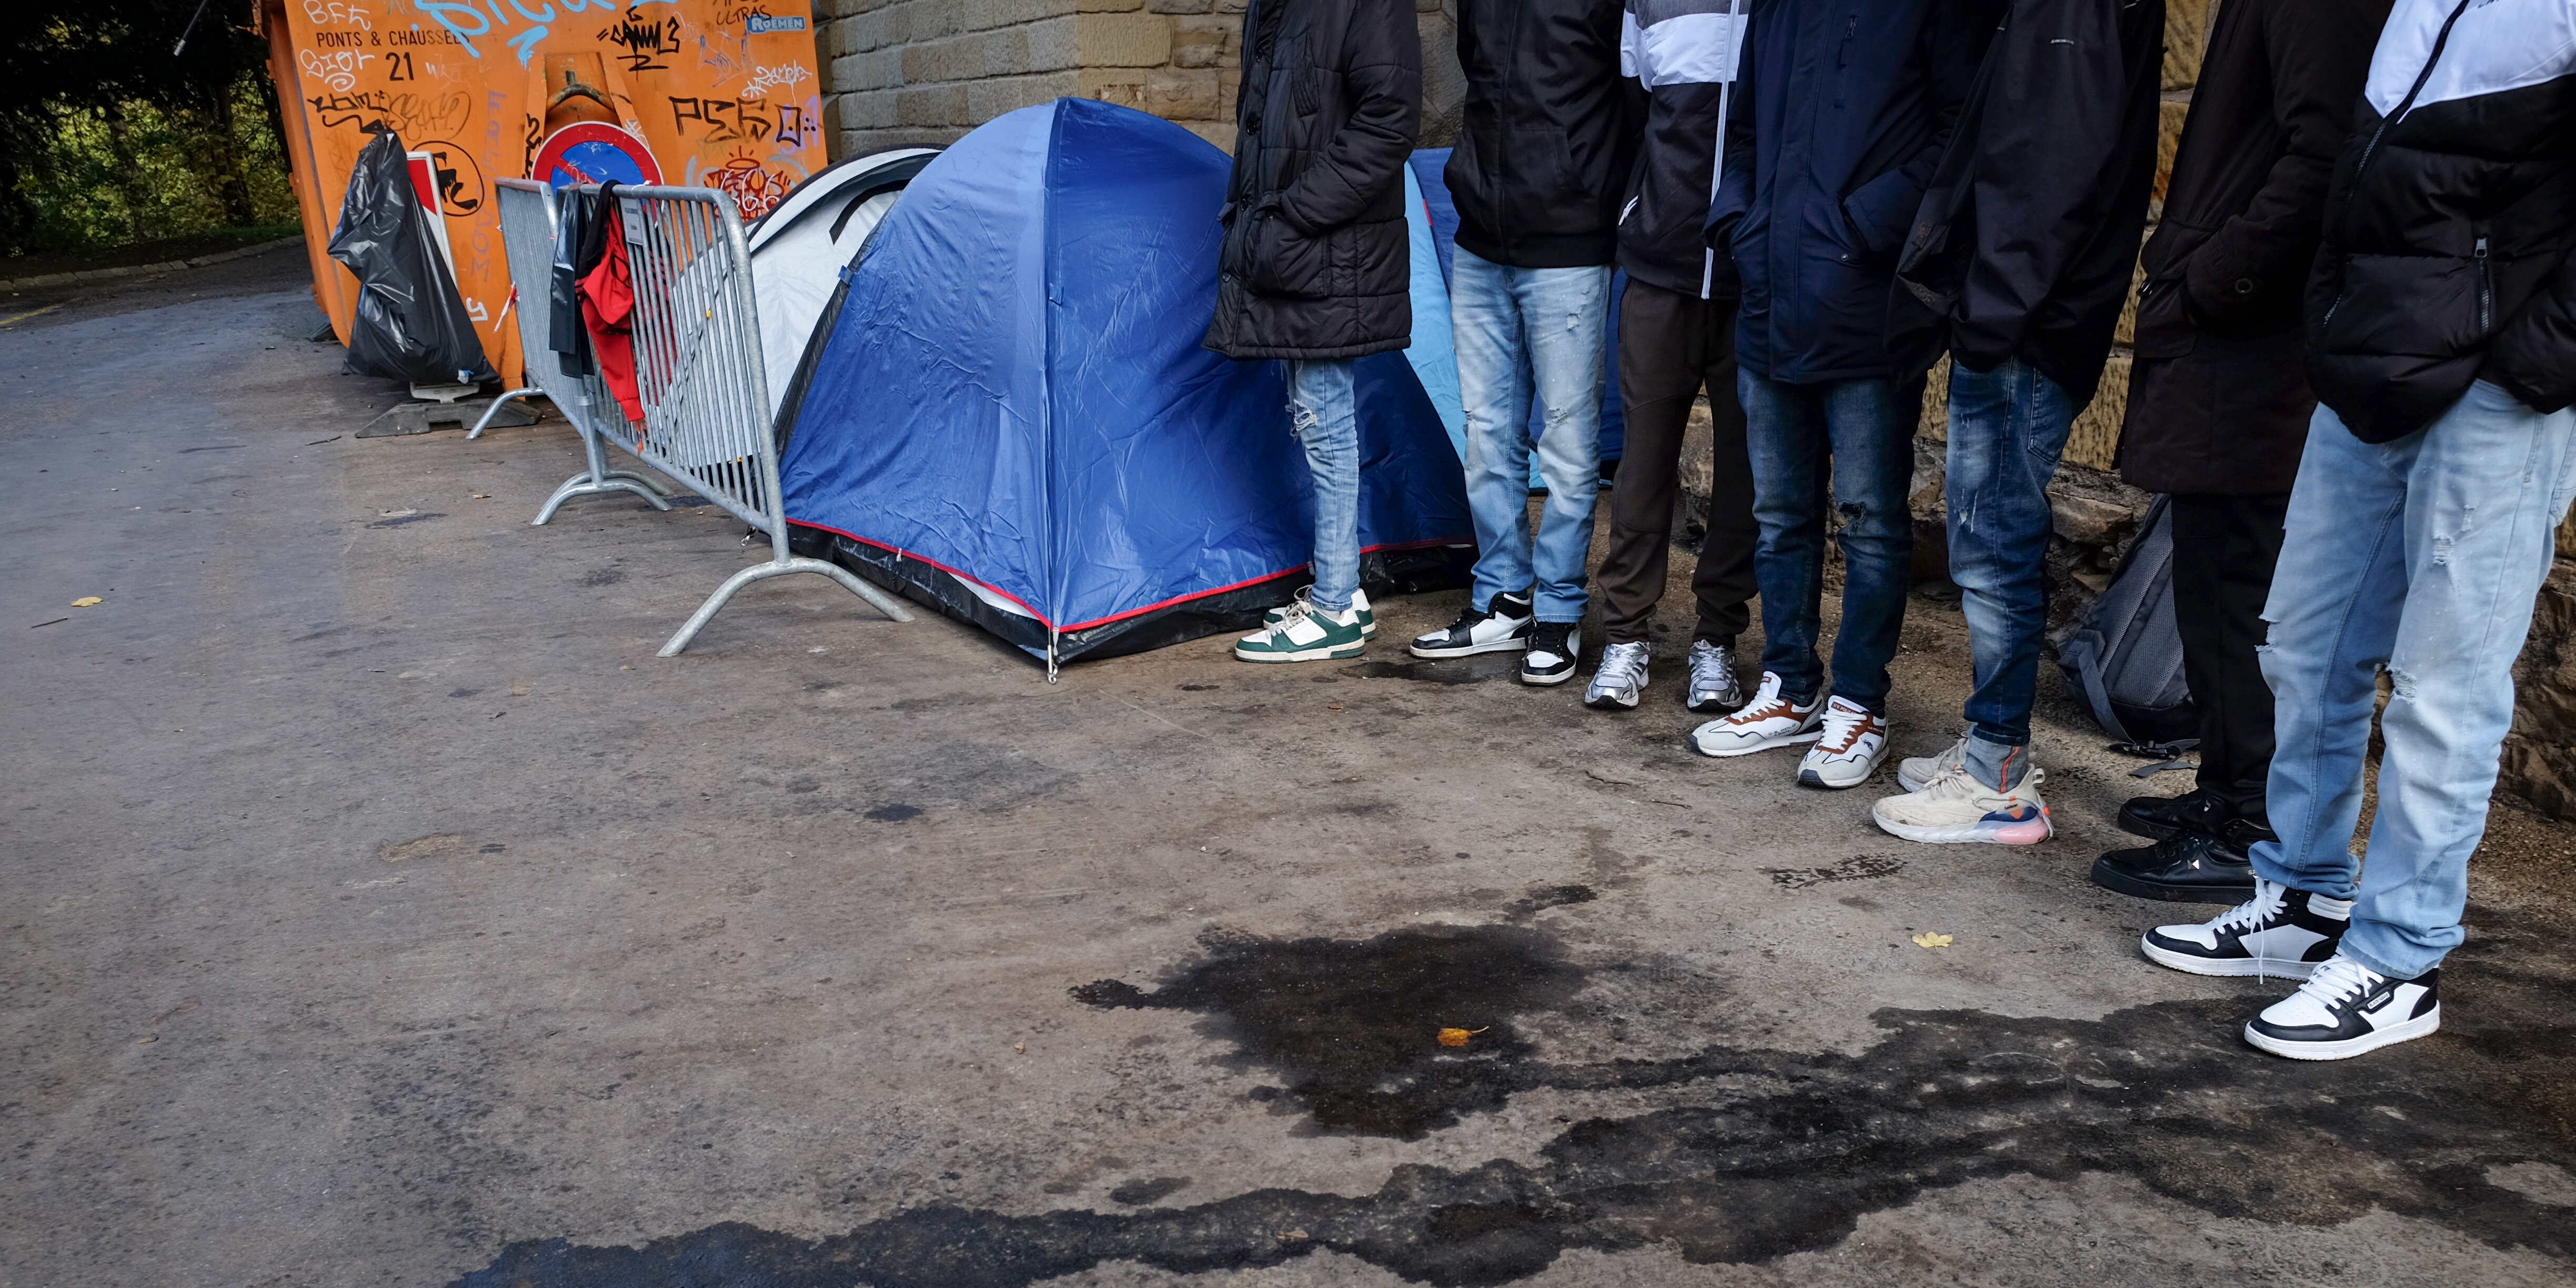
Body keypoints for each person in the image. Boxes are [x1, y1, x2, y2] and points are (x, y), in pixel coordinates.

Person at [2142, 0, 2576, 1060]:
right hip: (2366, 364)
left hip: (2496, 391)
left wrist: (2535, 365)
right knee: (2302, 643)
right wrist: (2330, 316)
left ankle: (2397, 960)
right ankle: (2301, 900)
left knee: (2443, 683)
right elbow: (2358, 165)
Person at [2090, 0, 2391, 903]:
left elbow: (2322, 152)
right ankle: (2224, 798)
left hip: (2254, 347)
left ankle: (2249, 822)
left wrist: (2216, 277)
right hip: (2231, 339)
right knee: (2213, 580)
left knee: (2243, 594)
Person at [1685, 0, 1996, 789]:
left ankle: (1859, 704)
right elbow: (1747, 132)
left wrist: (1864, 228)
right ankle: (1789, 688)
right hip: (1770, 294)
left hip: (1867, 303)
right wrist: (1738, 225)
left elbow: (1961, 127)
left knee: (1869, 519)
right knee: (1779, 512)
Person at [1876, 0, 2164, 838]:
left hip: (2024, 325)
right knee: (1986, 535)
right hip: (2026, 314)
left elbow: (2050, 169)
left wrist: (1990, 317)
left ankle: (2000, 777)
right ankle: (1989, 744)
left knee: (1993, 542)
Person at [1405, 0, 1637, 685]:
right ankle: (1503, 598)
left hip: (1568, 243)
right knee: (1488, 434)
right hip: (1482, 237)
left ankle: (1559, 610)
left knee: (1567, 442)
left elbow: (1632, 102)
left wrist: (1598, 200)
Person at [1210, 0, 1423, 663]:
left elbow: (1389, 121)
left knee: (1326, 425)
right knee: (1313, 420)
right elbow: (1259, 128)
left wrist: (1291, 215)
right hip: (1293, 250)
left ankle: (1333, 608)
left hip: (1330, 249)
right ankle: (1341, 590)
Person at [1577, 0, 1758, 717]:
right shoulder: (1650, 3)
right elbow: (1632, 116)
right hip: (1660, 268)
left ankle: (1717, 639)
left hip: (1752, 280)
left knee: (1745, 473)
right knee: (1643, 462)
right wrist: (1635, 214)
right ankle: (1627, 633)